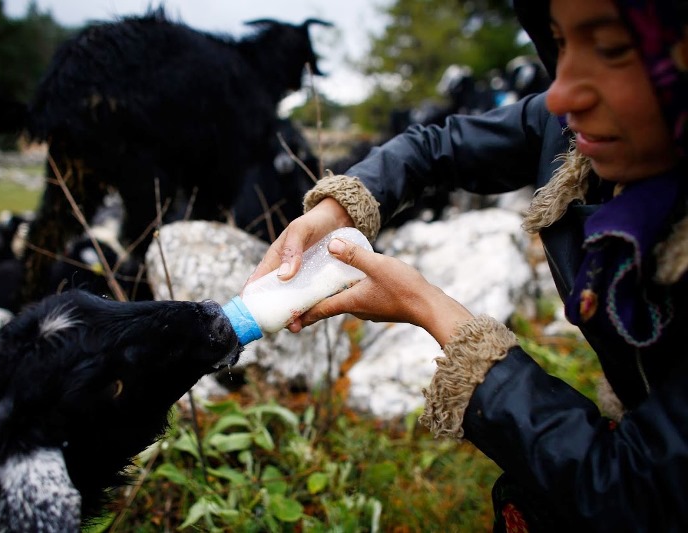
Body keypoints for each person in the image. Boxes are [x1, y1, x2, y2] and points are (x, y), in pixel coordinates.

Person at [246, 0, 688, 530]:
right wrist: (341, 205)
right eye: (561, 44)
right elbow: (434, 147)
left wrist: (429, 309)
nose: (563, 92)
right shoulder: (573, 136)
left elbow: (634, 493)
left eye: (614, 50)